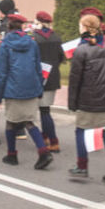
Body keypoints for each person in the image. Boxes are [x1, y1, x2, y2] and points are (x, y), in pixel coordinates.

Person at [68, 13, 105, 184]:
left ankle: (82, 166)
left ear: (84, 28)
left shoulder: (81, 50)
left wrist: (73, 103)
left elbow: (74, 79)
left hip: (88, 100)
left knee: (81, 130)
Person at [0, 14, 52, 169]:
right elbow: (37, 68)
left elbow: (2, 72)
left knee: (11, 121)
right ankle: (41, 151)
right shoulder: (31, 43)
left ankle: (14, 154)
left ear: (8, 26)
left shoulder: (5, 44)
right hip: (31, 87)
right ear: (21, 26)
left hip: (13, 89)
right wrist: (40, 88)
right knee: (27, 120)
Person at [32, 11, 63, 152]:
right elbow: (61, 57)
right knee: (45, 109)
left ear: (38, 22)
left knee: (44, 111)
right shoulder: (56, 37)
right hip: (53, 77)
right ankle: (45, 137)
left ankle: (54, 141)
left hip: (39, 77)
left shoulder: (35, 38)